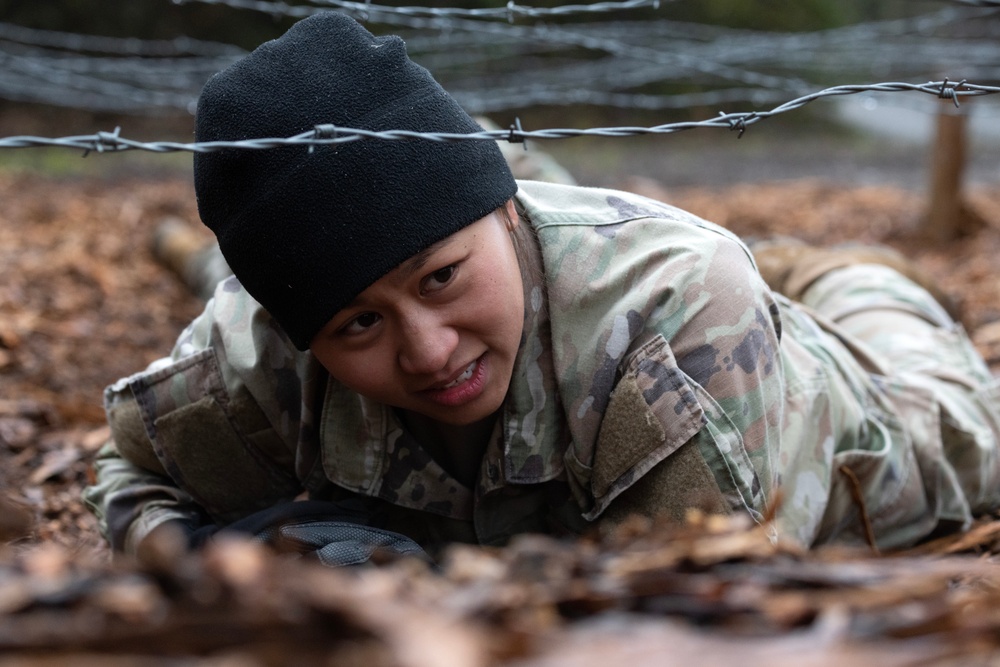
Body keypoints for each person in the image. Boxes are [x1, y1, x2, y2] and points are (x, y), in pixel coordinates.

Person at [84, 12, 1000, 565]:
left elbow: (696, 614)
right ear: (299, 336)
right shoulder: (246, 359)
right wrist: (205, 560)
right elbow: (129, 468)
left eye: (442, 277)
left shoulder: (682, 315)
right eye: (360, 322)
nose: (428, 349)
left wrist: (425, 593)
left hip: (884, 405)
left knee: (893, 333)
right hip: (609, 280)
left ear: (511, 214)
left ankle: (827, 271)